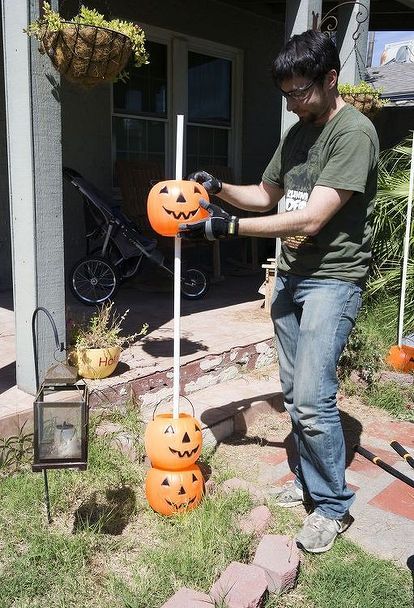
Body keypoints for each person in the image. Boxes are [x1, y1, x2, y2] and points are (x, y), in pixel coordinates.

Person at [179, 29, 379, 554]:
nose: (292, 102)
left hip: (331, 279)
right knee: (294, 394)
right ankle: (311, 482)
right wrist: (216, 189)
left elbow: (311, 217)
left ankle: (332, 505)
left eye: (301, 92)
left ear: (331, 78)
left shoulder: (353, 134)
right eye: (285, 94)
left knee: (313, 398)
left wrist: (227, 229)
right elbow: (267, 194)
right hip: (290, 277)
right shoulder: (297, 133)